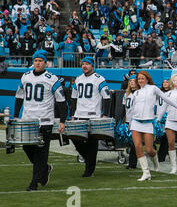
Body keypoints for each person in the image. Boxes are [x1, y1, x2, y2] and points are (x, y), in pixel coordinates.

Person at [14, 50, 67, 191]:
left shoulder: (52, 78)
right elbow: (19, 96)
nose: (37, 63)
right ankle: (45, 168)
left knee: (41, 152)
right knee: (26, 147)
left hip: (44, 120)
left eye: (40, 61)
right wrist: (15, 115)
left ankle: (34, 183)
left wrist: (62, 120)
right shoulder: (25, 76)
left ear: (45, 63)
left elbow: (61, 101)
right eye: (36, 60)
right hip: (28, 119)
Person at [130, 71, 177, 181]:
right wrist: (128, 123)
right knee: (138, 146)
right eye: (139, 79)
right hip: (136, 122)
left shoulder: (153, 88)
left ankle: (155, 161)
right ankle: (146, 172)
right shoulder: (136, 93)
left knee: (149, 150)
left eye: (142, 78)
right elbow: (132, 109)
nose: (140, 80)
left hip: (148, 122)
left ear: (147, 79)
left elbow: (167, 99)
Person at [70, 56, 111, 177]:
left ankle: (89, 170)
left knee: (92, 143)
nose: (84, 66)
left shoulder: (99, 79)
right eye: (83, 64)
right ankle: (89, 160)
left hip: (94, 115)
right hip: (79, 114)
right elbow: (73, 98)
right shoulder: (78, 79)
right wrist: (72, 114)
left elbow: (107, 97)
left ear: (92, 66)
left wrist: (105, 114)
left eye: (87, 64)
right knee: (75, 139)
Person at [156, 73, 177, 174]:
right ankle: (173, 166)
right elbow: (163, 107)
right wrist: (158, 119)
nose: (175, 82)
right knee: (170, 143)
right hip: (169, 121)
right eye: (174, 80)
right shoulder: (168, 93)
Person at [122, 75, 138, 169]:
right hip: (128, 121)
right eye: (130, 81)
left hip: (135, 121)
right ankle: (132, 162)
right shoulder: (126, 94)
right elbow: (124, 109)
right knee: (130, 143)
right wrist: (123, 121)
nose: (132, 82)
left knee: (134, 144)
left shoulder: (139, 93)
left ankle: (132, 163)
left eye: (133, 81)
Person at [156, 79, 170, 162]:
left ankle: (162, 155)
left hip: (168, 117)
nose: (165, 83)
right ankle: (161, 153)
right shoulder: (158, 92)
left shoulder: (171, 93)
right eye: (163, 82)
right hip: (159, 117)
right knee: (161, 137)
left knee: (166, 137)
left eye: (167, 82)